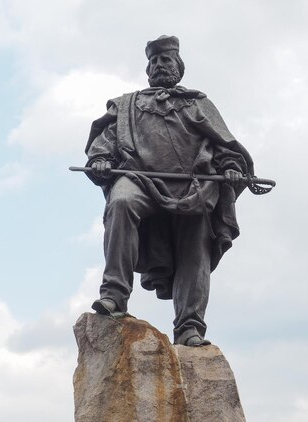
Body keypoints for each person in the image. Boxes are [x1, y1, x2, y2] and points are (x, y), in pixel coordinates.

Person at [84, 35, 253, 346]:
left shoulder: (198, 103)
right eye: (154, 61)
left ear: (179, 67)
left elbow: (224, 144)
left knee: (196, 241)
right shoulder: (127, 104)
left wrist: (230, 165)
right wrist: (101, 159)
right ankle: (114, 296)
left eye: (166, 60)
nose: (159, 65)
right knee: (120, 202)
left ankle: (189, 327)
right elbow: (104, 140)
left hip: (194, 185)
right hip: (138, 177)